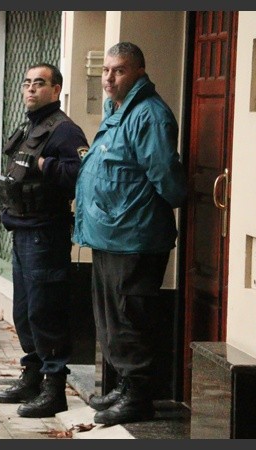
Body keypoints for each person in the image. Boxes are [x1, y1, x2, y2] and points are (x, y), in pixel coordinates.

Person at [72, 42, 187, 426]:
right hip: (111, 236)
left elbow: (166, 178)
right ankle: (123, 385)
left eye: (118, 70)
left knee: (130, 319)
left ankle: (138, 397)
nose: (108, 77)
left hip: (134, 239)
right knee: (112, 321)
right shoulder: (117, 112)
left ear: (139, 71)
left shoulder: (149, 116)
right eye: (105, 70)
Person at [0, 63, 88, 418]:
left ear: (56, 89)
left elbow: (81, 175)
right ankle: (31, 376)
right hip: (23, 232)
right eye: (27, 83)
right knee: (24, 313)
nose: (31, 89)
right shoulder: (30, 127)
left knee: (45, 311)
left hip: (46, 233)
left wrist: (47, 166)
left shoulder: (65, 131)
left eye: (40, 83)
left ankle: (53, 389)